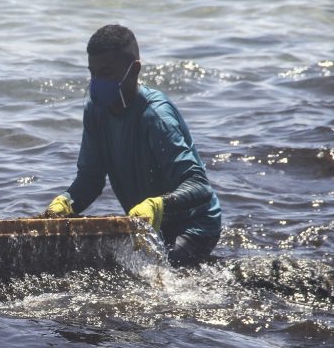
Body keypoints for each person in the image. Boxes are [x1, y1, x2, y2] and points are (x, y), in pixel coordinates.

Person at [45, 24, 222, 267]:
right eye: (93, 73)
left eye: (106, 73)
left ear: (134, 70)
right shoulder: (96, 111)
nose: (97, 82)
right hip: (145, 224)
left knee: (157, 275)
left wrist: (157, 205)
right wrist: (65, 203)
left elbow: (200, 186)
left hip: (194, 226)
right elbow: (91, 180)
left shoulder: (155, 117)